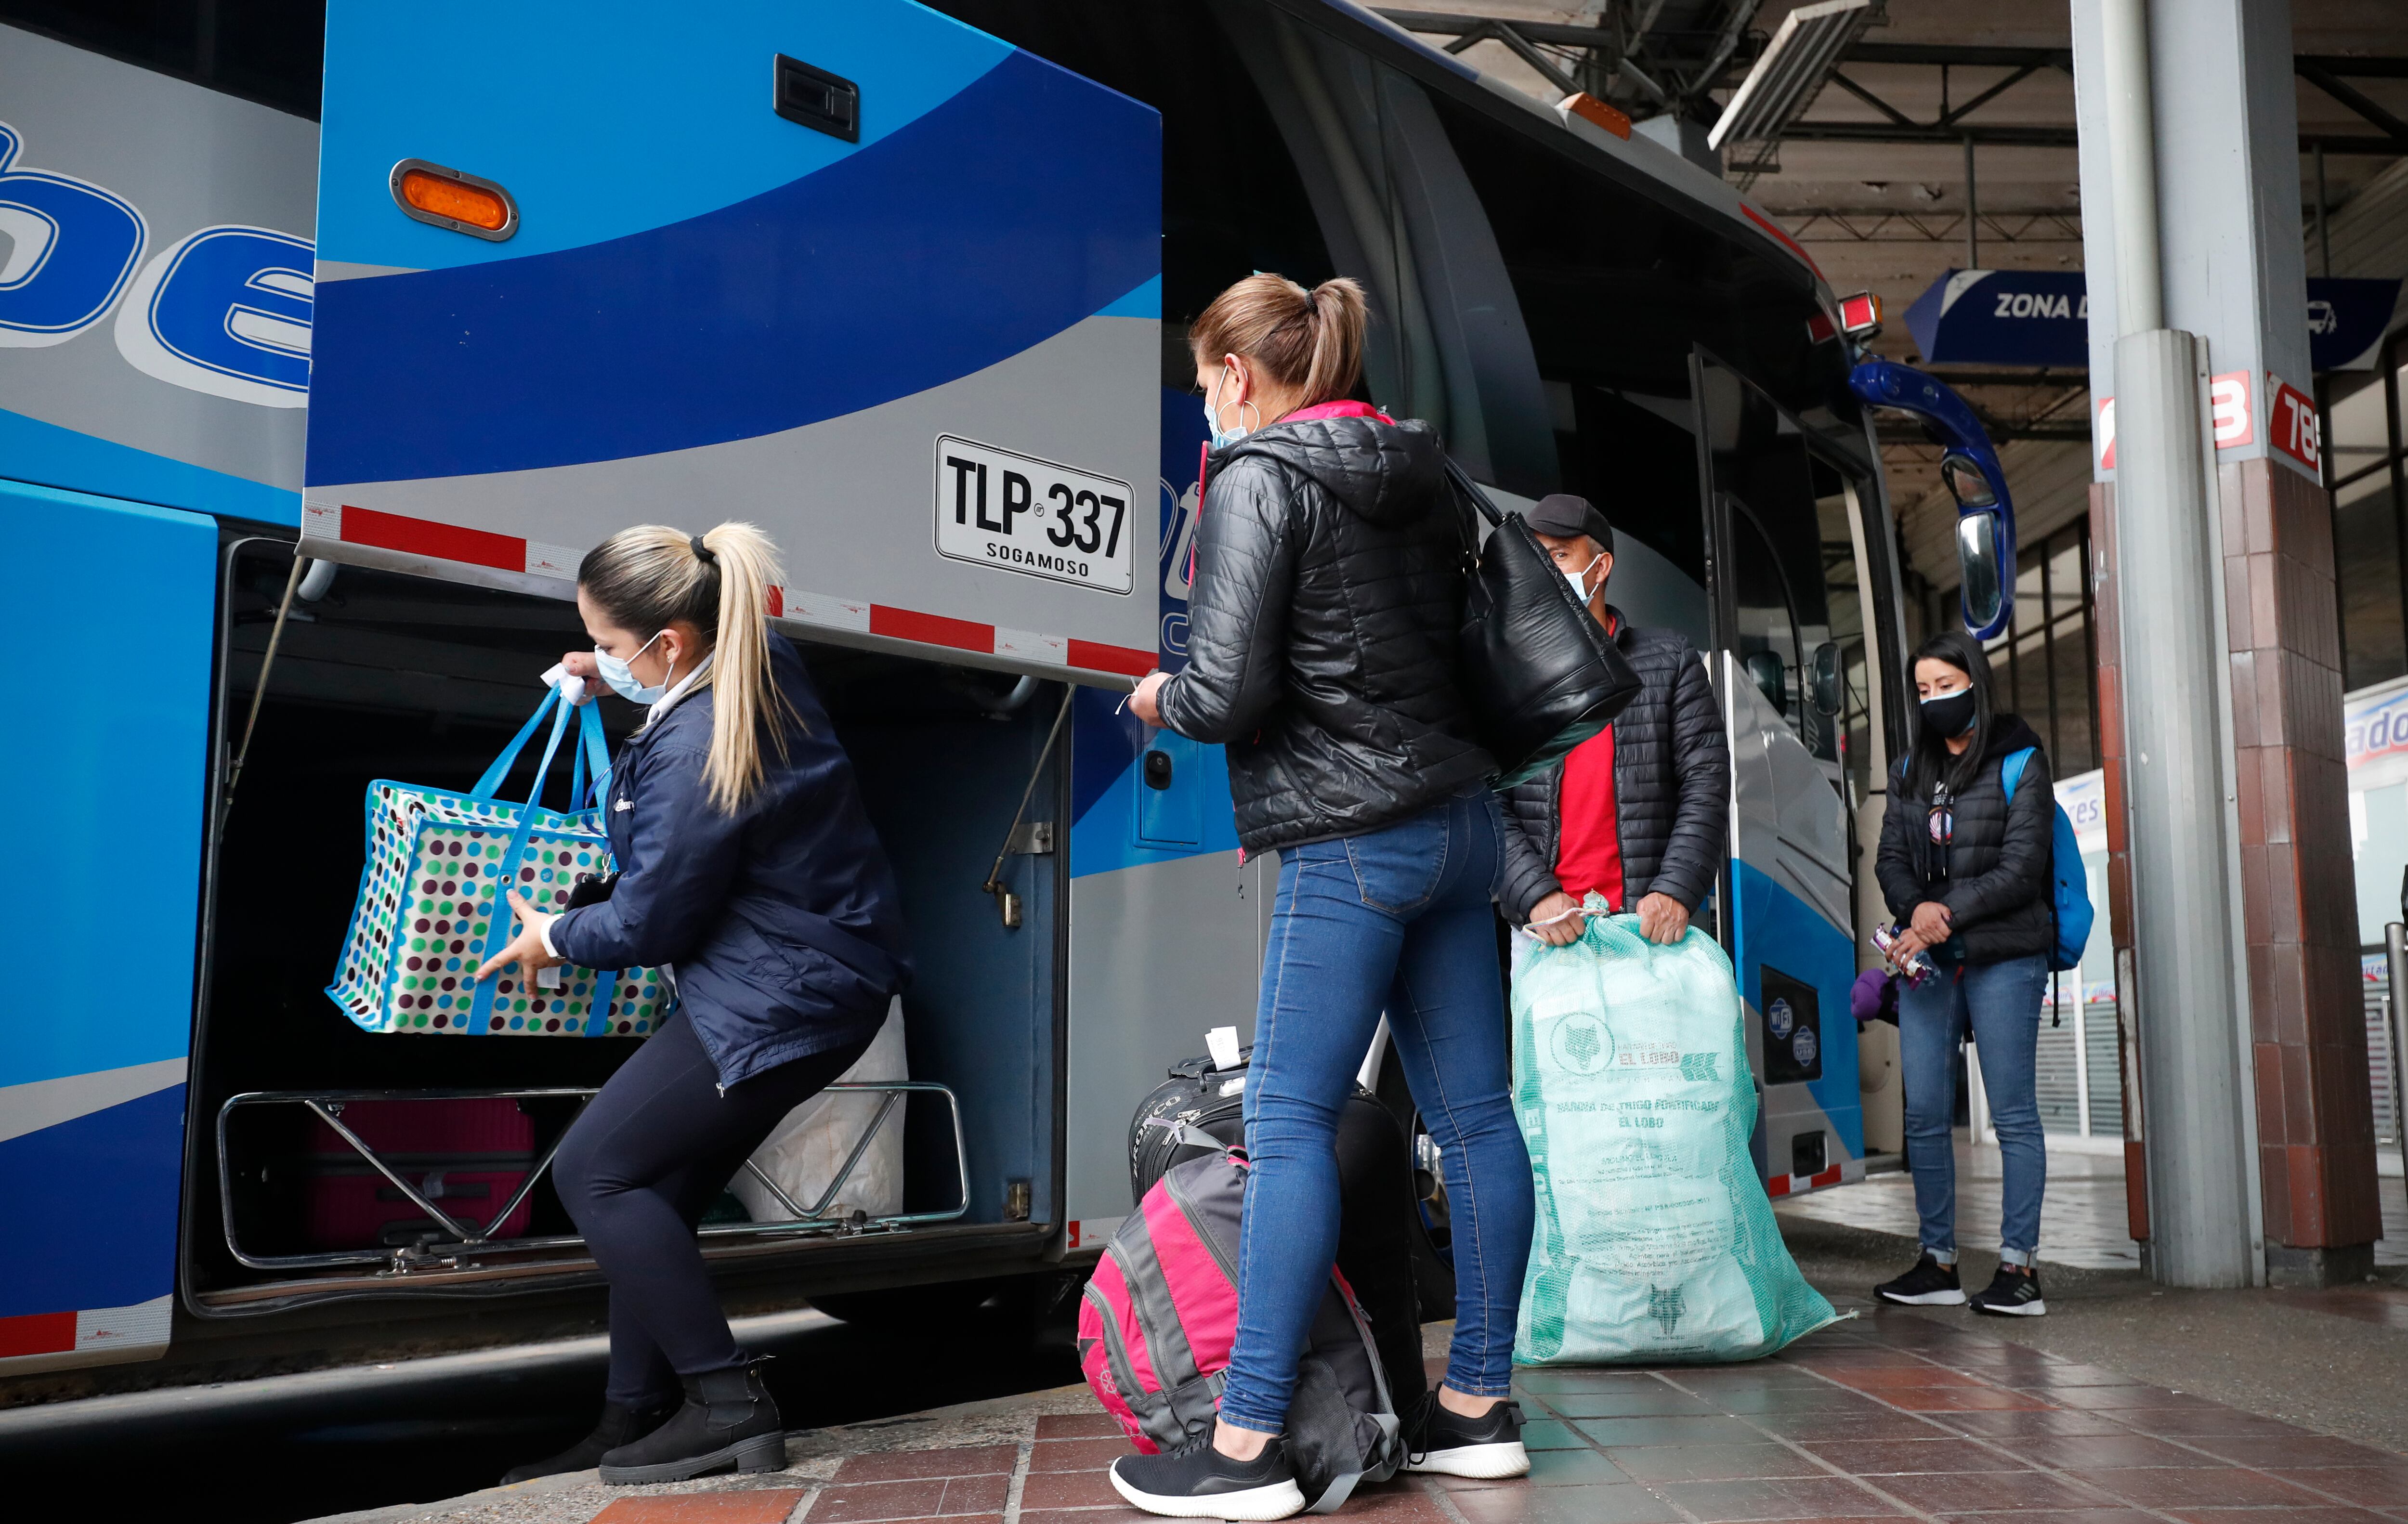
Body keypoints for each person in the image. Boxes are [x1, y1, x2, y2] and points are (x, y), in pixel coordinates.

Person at [1116, 273, 1532, 1520]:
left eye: (1205, 380)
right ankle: (1480, 1408)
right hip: (1463, 826)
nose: (1206, 402)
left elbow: (1229, 687)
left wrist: (1162, 697)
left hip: (1353, 841)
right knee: (1477, 1122)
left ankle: (1247, 1445)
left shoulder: (1258, 477)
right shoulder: (1422, 466)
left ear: (1239, 374)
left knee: (1289, 1123)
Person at [479, 522, 912, 1485]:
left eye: (608, 642)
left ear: (671, 643)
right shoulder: (759, 667)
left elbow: (652, 920)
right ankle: (633, 1414)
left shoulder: (691, 745)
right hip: (813, 981)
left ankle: (727, 1404)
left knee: (593, 1171)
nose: (599, 656)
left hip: (780, 993)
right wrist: (609, 675)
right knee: (657, 1183)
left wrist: (553, 935)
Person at [1871, 630, 2054, 1317]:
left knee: (2012, 1113)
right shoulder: (1909, 769)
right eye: (1923, 690)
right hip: (1932, 963)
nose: (1934, 700)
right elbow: (1890, 858)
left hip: (2005, 954)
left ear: (1975, 682)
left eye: (1946, 686)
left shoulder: (2020, 759)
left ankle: (2019, 1270)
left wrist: (1939, 914)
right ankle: (1937, 1263)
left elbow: (2021, 867)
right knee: (1923, 1113)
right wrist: (1916, 910)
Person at [1496, 495, 1728, 947]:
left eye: (1560, 555)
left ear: (1600, 567)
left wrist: (1675, 889)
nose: (1544, 569)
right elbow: (1485, 800)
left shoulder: (1669, 660)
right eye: (1535, 556)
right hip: (1547, 931)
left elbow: (1706, 781)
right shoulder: (1508, 672)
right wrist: (1534, 894)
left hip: (1647, 929)